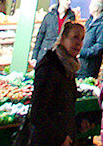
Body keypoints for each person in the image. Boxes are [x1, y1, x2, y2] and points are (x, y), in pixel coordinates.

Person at [23, 17, 84, 146]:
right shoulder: (50, 67)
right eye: (75, 37)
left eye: (81, 39)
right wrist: (60, 137)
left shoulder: (69, 68)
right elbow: (38, 113)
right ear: (63, 39)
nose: (78, 43)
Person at [32, 0, 73, 69]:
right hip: (45, 52)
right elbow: (40, 36)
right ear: (60, 0)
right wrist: (34, 56)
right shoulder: (50, 16)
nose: (69, 2)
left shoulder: (71, 18)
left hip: (61, 56)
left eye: (70, 0)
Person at [80, 0, 103, 79]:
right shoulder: (90, 20)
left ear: (95, 8)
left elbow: (99, 45)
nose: (89, 7)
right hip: (82, 64)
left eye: (91, 5)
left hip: (90, 65)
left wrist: (85, 52)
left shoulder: (102, 24)